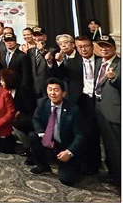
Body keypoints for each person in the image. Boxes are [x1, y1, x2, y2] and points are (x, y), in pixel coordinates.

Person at [47, 35, 101, 175]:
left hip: (99, 101)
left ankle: (101, 165)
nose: (83, 49)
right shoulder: (73, 62)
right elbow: (59, 75)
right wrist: (57, 63)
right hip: (80, 101)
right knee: (85, 132)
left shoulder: (101, 61)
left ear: (92, 46)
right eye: (80, 47)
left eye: (86, 46)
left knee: (99, 134)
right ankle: (88, 165)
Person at [29, 78, 85, 187]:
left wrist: (69, 152)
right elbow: (36, 120)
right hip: (49, 141)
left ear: (63, 93)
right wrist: (43, 134)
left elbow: (80, 135)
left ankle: (69, 165)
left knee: (67, 180)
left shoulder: (73, 110)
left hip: (65, 146)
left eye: (56, 90)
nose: (52, 93)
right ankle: (43, 166)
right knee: (33, 136)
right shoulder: (42, 103)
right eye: (50, 89)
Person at [93, 35, 120, 185]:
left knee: (117, 148)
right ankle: (112, 174)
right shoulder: (99, 62)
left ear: (114, 48)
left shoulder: (120, 65)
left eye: (107, 46)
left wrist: (114, 78)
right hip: (99, 109)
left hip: (114, 113)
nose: (104, 49)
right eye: (101, 46)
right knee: (107, 146)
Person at [1, 67, 36, 159]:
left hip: (28, 117)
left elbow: (30, 107)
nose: (1, 82)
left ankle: (29, 148)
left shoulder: (23, 91)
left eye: (2, 80)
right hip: (17, 115)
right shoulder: (7, 91)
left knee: (15, 123)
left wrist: (18, 112)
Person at [29, 27, 56, 98]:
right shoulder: (30, 51)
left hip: (46, 86)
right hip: (33, 87)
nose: (37, 38)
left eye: (39, 35)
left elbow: (52, 68)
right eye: (35, 36)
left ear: (45, 37)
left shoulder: (52, 50)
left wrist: (42, 50)